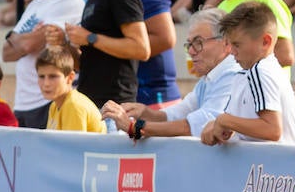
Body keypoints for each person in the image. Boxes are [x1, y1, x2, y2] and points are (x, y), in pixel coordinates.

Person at [99, 8, 241, 139]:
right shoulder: (210, 77)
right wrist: (144, 112)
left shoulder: (232, 75)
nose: (191, 51)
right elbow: (177, 113)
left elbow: (194, 125)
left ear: (226, 43)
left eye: (198, 42)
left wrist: (135, 128)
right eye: (189, 44)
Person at [2, 0, 85, 128]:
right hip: (24, 101)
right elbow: (6, 52)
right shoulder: (35, 4)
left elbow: (25, 46)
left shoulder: (68, 1)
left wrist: (19, 40)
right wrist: (26, 40)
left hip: (48, 101)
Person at [200, 2, 295, 146]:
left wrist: (224, 121)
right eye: (230, 45)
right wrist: (217, 126)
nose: (232, 51)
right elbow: (235, 126)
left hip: (276, 166)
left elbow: (272, 130)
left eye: (237, 45)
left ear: (265, 42)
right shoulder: (246, 74)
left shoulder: (260, 72)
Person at [36, 47, 106, 133]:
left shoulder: (74, 105)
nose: (46, 83)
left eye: (53, 76)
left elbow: (72, 146)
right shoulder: (54, 105)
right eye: (41, 76)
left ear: (70, 77)